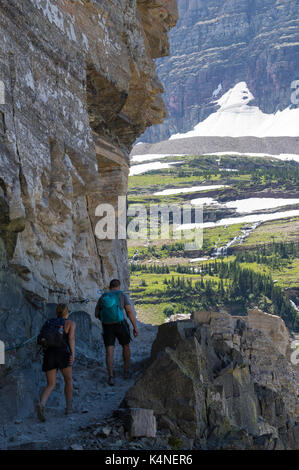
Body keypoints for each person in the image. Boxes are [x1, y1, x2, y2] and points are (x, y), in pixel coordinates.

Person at [36, 304, 76, 422]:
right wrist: (73, 354)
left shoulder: (49, 322)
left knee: (51, 384)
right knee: (68, 380)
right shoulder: (70, 323)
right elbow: (71, 338)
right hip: (63, 353)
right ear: (67, 312)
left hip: (49, 353)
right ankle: (68, 408)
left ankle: (42, 404)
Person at [95, 279, 138, 386]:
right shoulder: (122, 295)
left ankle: (110, 376)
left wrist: (104, 320)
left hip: (107, 326)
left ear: (110, 287)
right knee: (126, 346)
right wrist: (135, 327)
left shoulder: (103, 297)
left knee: (109, 351)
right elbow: (129, 312)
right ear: (119, 286)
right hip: (120, 324)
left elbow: (96, 313)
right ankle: (126, 371)